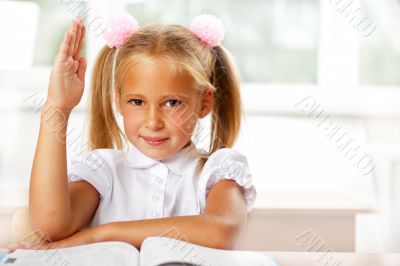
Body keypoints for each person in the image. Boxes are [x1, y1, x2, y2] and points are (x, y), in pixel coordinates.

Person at [28, 14, 256, 250]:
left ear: (204, 103)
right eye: (137, 102)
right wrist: (58, 107)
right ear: (118, 101)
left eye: (172, 103)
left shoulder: (217, 171)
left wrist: (100, 235)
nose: (153, 121)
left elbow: (221, 231)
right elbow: (50, 226)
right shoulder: (103, 170)